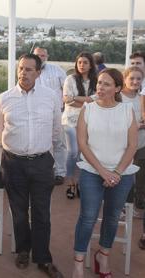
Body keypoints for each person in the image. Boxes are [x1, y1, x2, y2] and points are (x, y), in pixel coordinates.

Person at [0, 53, 64, 278]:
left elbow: (56, 130)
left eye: (29, 69)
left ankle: (43, 258)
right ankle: (23, 250)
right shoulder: (4, 98)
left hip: (42, 162)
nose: (24, 73)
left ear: (39, 72)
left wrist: (51, 157)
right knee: (19, 211)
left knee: (42, 213)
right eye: (21, 69)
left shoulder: (51, 97)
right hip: (13, 163)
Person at [72, 68, 138, 278]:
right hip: (92, 171)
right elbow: (82, 144)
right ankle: (78, 263)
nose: (100, 87)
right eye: (99, 83)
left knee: (111, 218)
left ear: (118, 88)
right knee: (88, 217)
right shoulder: (88, 109)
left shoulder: (127, 111)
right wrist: (102, 171)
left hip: (122, 174)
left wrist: (116, 172)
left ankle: (103, 255)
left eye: (107, 84)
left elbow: (132, 146)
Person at [62, 52, 98, 197]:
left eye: (85, 62)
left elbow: (97, 99)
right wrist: (87, 100)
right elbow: (66, 99)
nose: (82, 65)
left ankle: (82, 183)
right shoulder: (70, 79)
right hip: (70, 120)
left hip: (89, 121)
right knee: (73, 152)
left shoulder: (96, 80)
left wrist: (75, 98)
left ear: (91, 65)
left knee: (84, 154)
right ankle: (70, 181)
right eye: (79, 62)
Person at [33, 47, 68, 185]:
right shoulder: (29, 71)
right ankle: (45, 171)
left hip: (55, 112)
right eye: (38, 55)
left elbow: (66, 89)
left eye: (43, 55)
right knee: (41, 143)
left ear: (47, 56)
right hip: (35, 113)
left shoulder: (57, 70)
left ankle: (60, 173)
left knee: (58, 143)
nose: (40, 57)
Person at [120, 66, 145, 251]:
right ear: (125, 78)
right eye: (132, 78)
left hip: (142, 145)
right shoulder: (118, 97)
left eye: (139, 79)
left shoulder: (142, 98)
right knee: (126, 180)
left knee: (142, 183)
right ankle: (124, 207)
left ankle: (137, 206)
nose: (135, 82)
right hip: (123, 147)